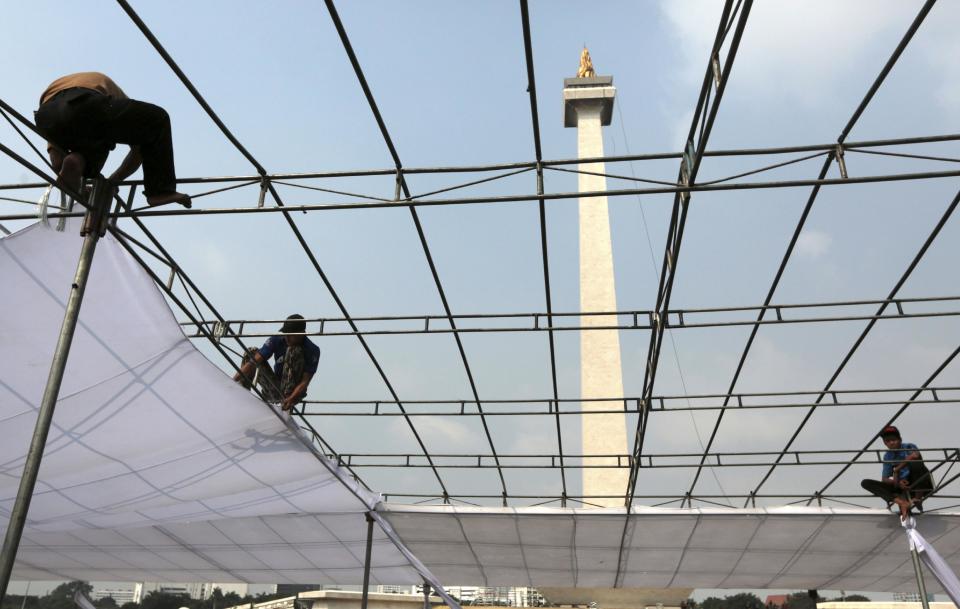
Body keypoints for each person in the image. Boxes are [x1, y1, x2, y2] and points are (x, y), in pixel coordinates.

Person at [34, 72, 191, 208]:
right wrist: (114, 180)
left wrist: (61, 167)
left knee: (90, 140)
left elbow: (54, 156)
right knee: (156, 120)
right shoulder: (112, 93)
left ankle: (77, 161)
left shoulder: (59, 86)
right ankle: (160, 191)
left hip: (47, 114)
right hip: (86, 103)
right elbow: (139, 149)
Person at [233, 314, 320, 411]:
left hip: (293, 393)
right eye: (285, 334)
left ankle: (286, 397)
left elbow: (305, 382)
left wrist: (291, 399)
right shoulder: (277, 339)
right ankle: (242, 393)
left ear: (302, 333)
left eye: (290, 335)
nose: (287, 338)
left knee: (293, 350)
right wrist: (232, 381)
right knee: (251, 353)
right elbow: (254, 361)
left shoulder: (312, 350)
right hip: (275, 387)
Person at [860, 425, 933, 518]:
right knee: (866, 483)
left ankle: (918, 498)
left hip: (917, 482)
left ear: (900, 439)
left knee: (916, 463)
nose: (891, 443)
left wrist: (897, 469)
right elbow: (885, 479)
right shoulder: (887, 456)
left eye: (893, 440)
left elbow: (915, 456)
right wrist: (898, 483)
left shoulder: (909, 446)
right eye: (887, 441)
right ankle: (902, 502)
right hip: (900, 485)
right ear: (884, 443)